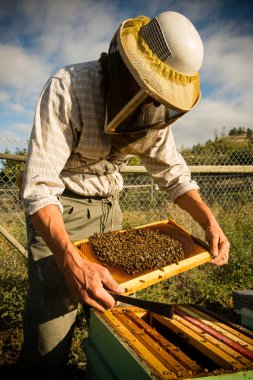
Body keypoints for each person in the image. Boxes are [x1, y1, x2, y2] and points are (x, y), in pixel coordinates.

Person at [18, 10, 230, 379]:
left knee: (116, 325)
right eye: (145, 91)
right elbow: (38, 186)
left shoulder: (154, 112)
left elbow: (173, 174)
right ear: (126, 67)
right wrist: (71, 261)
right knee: (50, 329)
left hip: (109, 212)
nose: (151, 104)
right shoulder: (68, 86)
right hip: (59, 210)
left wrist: (208, 220)